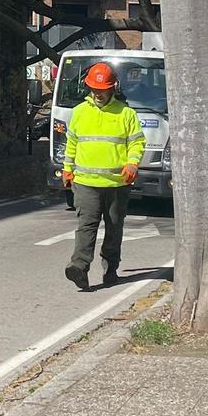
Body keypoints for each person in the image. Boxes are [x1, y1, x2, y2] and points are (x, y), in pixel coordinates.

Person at [62, 62, 145, 290]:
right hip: (85, 182)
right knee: (86, 225)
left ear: (112, 88)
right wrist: (67, 168)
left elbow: (137, 142)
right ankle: (78, 267)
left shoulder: (126, 114)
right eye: (94, 89)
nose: (97, 93)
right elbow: (72, 143)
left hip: (118, 183)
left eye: (102, 89)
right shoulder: (79, 112)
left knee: (113, 227)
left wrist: (132, 164)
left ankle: (111, 268)